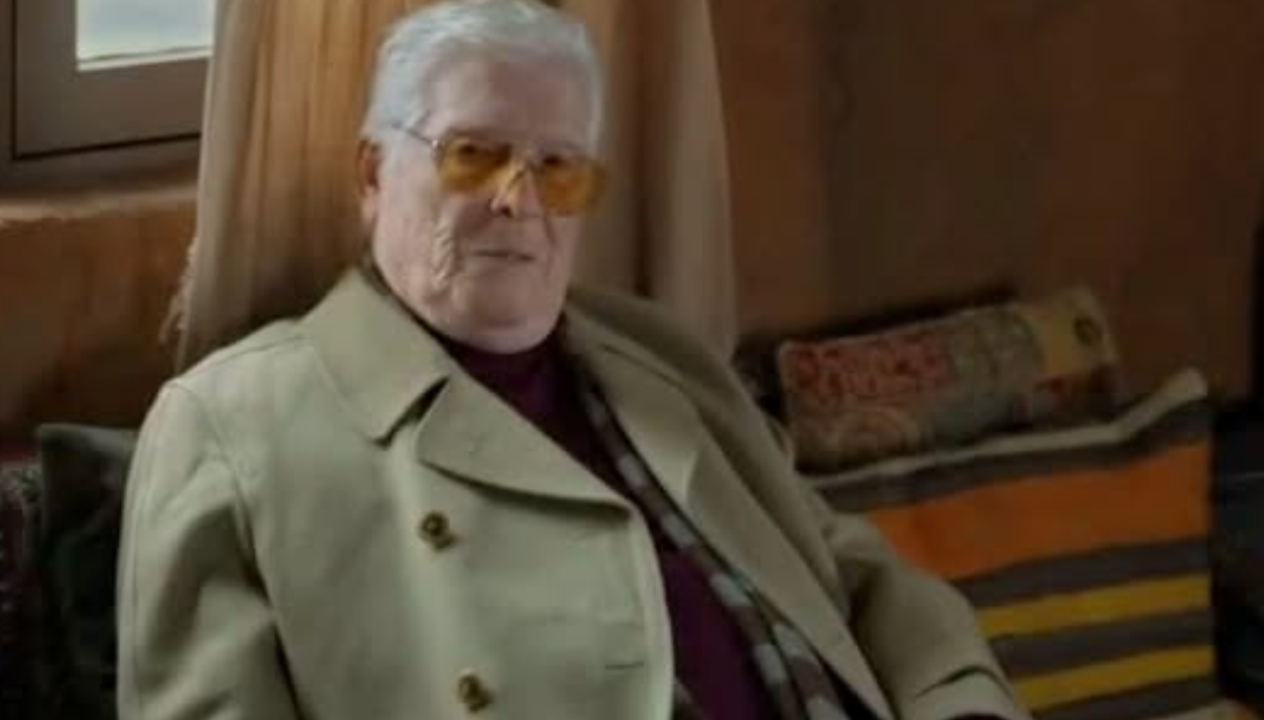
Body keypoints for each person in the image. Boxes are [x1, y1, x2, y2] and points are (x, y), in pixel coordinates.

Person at [116, 2, 1028, 719]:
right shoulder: (233, 422)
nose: (520, 201)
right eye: (474, 154)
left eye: (558, 167)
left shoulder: (660, 355)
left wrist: (961, 704)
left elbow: (851, 573)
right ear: (371, 175)